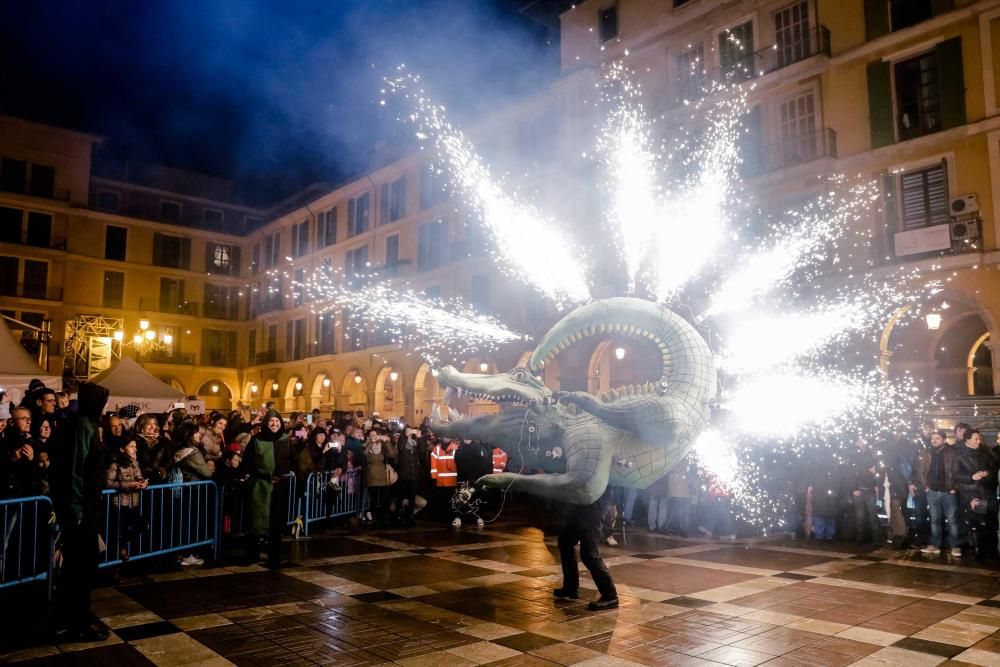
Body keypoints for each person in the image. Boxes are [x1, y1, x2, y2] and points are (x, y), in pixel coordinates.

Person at [50, 382, 110, 642]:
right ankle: (77, 621)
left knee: (79, 566)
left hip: (83, 508)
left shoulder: (81, 424)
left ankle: (72, 616)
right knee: (80, 568)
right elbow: (75, 470)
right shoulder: (83, 426)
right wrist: (76, 510)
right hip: (81, 510)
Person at [554, 487, 619, 611]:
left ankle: (610, 595)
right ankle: (571, 587)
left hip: (596, 501)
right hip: (583, 500)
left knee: (589, 553)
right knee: (565, 541)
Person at [240, 409, 291, 566]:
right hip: (260, 486)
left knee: (276, 523)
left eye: (277, 421)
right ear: (265, 423)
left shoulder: (286, 439)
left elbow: (294, 459)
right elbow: (247, 461)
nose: (274, 424)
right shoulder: (257, 440)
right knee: (256, 521)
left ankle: (274, 556)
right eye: (271, 421)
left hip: (279, 487)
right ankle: (253, 553)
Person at [954, 429, 998, 558]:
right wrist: (971, 477)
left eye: (980, 439)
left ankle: (990, 550)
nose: (979, 441)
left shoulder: (986, 452)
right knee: (976, 522)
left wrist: (987, 473)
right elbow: (956, 475)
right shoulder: (959, 454)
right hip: (971, 493)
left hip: (987, 491)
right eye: (976, 439)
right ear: (967, 439)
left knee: (989, 522)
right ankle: (977, 550)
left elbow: (994, 468)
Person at [915, 430, 959, 556]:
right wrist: (926, 486)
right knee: (934, 519)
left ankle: (954, 546)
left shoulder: (951, 453)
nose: (934, 440)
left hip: (948, 491)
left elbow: (957, 471)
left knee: (952, 520)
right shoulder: (926, 452)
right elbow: (921, 470)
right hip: (932, 491)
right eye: (932, 438)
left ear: (944, 440)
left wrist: (954, 487)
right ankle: (935, 545)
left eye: (937, 438)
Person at [105, 438, 148, 561]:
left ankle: (122, 546)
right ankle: (116, 562)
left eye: (135, 446)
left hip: (133, 503)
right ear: (122, 449)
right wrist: (129, 485)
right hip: (119, 504)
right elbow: (108, 483)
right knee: (119, 531)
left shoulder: (135, 463)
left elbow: (139, 477)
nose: (135, 449)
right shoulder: (115, 464)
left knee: (142, 525)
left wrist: (144, 483)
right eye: (131, 446)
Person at [846, 436, 879, 545]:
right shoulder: (854, 455)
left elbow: (874, 470)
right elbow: (851, 472)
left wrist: (876, 484)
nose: (861, 442)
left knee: (871, 515)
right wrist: (853, 489)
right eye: (859, 440)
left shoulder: (870, 453)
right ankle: (862, 537)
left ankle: (873, 538)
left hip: (868, 489)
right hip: (860, 489)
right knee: (861, 516)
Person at [363, 430, 397, 526]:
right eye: (372, 435)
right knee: (373, 498)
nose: (374, 436)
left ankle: (384, 517)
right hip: (372, 473)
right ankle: (374, 518)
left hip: (382, 473)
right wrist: (371, 443)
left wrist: (387, 442)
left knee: (384, 497)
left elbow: (392, 454)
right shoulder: (366, 444)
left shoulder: (382, 446)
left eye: (375, 435)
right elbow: (364, 454)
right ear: (369, 436)